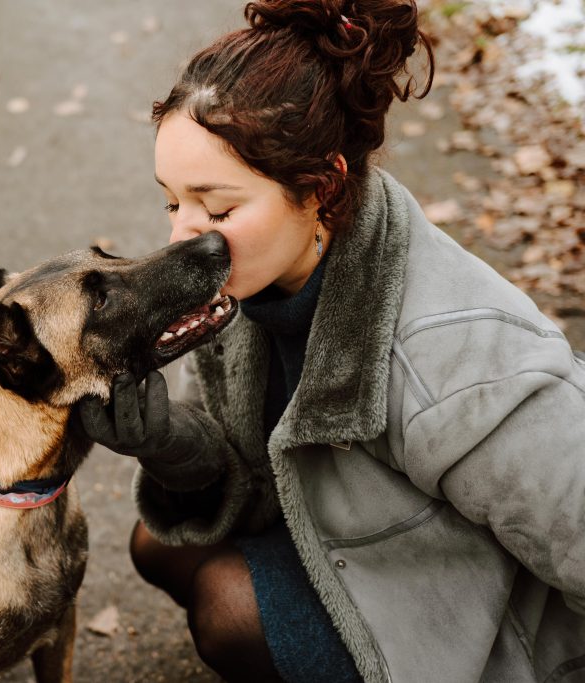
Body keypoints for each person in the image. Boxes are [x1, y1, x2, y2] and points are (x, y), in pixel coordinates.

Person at [75, 1, 585, 681]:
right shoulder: (249, 278)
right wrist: (166, 441)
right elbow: (248, 474)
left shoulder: (457, 359)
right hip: (380, 541)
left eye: (218, 208)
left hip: (498, 623)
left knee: (228, 607)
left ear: (321, 188)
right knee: (158, 543)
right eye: (174, 202)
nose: (182, 236)